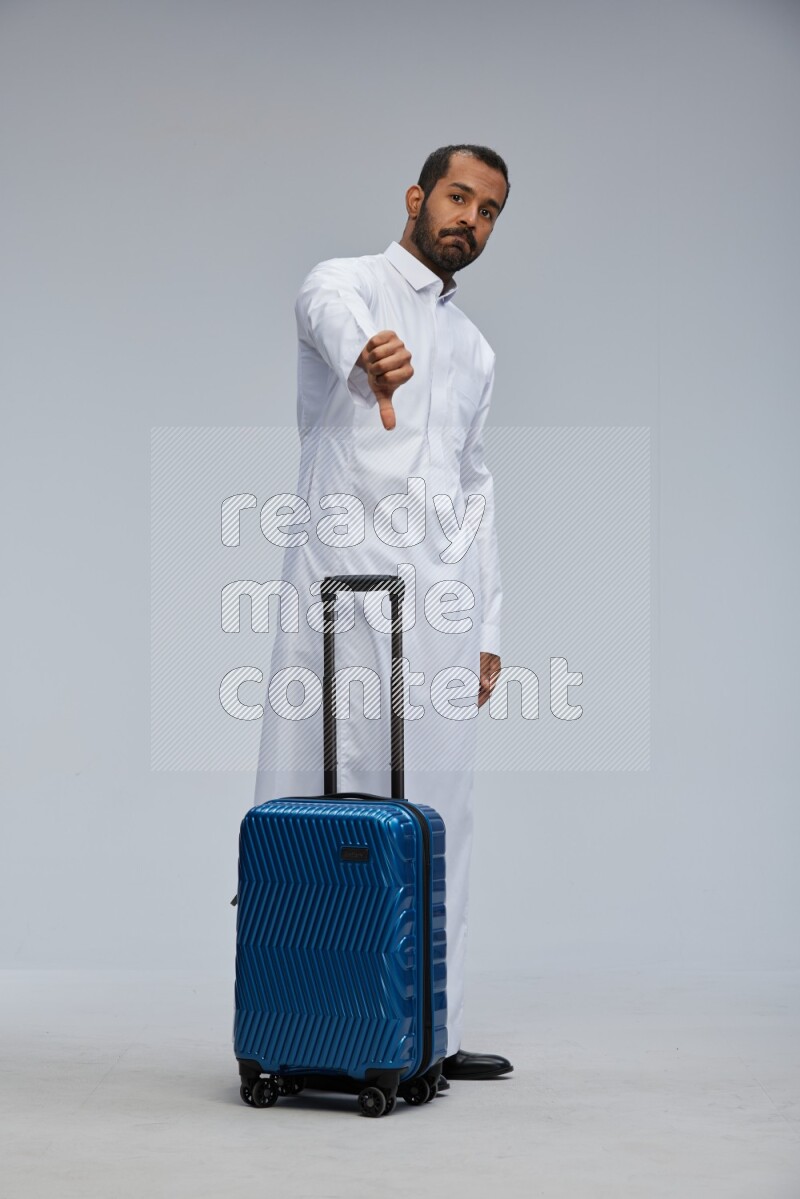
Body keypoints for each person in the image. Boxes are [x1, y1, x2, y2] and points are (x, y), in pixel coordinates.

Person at [254, 144, 512, 1082]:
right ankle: (305, 1026)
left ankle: (425, 1032)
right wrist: (366, 354)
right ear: (416, 197)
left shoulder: (477, 351)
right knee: (325, 797)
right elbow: (324, 315)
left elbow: (476, 489)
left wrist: (487, 630)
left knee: (442, 814)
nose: (469, 221)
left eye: (488, 212)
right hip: (344, 594)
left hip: (441, 614)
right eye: (457, 197)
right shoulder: (347, 284)